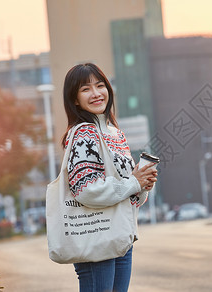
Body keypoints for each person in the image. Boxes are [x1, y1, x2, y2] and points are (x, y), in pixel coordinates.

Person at [61, 63, 158, 292]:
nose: (96, 93)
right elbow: (86, 189)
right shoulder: (83, 132)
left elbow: (129, 196)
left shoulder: (114, 133)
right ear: (75, 99)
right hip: (96, 236)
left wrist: (142, 184)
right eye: (85, 89)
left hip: (120, 237)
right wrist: (133, 182)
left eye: (100, 85)